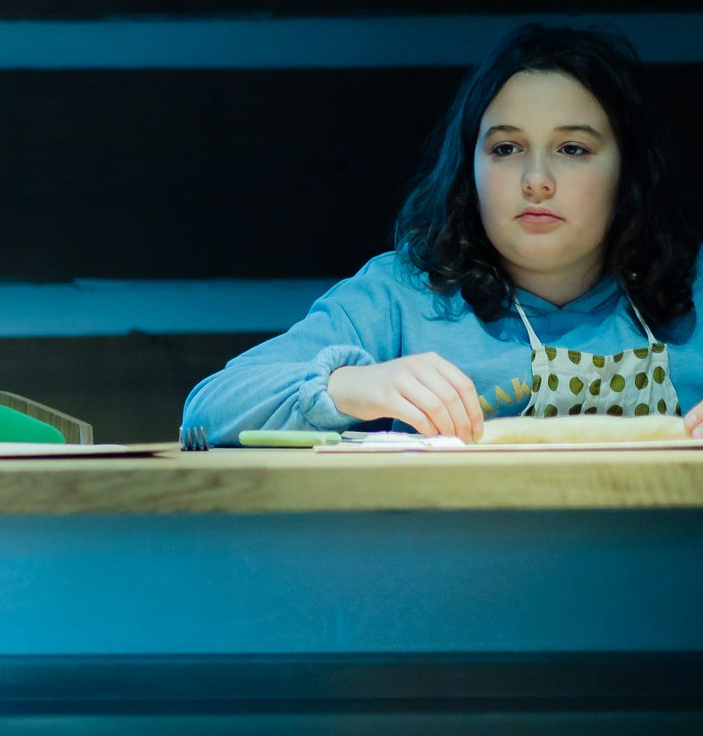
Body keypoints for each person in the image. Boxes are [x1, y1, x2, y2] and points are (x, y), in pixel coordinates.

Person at [183, 23, 703, 444]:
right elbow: (208, 409)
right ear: (468, 170)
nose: (536, 180)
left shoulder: (695, 288)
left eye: (573, 149)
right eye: (506, 149)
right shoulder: (403, 298)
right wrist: (351, 384)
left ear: (628, 171)